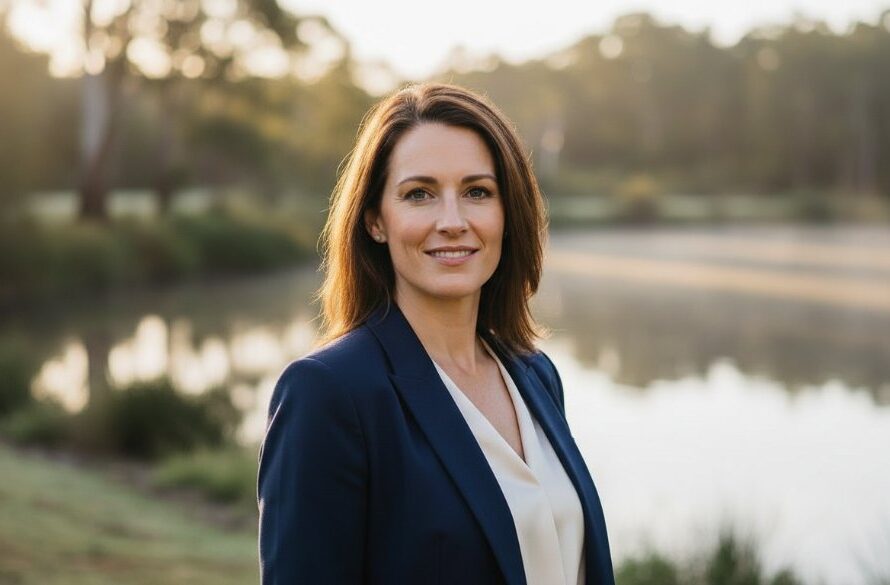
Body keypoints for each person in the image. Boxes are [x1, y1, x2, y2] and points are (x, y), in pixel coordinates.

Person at [257, 82, 614, 585]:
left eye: (477, 192)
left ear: (507, 213)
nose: (453, 221)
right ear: (376, 220)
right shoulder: (330, 393)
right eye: (419, 194)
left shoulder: (536, 375)